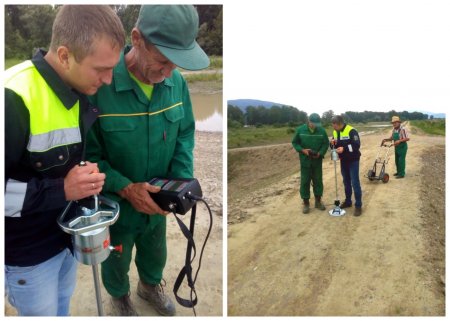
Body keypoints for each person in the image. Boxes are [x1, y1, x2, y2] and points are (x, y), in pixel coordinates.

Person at [85, 5, 210, 316]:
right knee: (115, 256)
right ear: (136, 38)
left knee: (156, 252)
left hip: (158, 205)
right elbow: (88, 157)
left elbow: (184, 135)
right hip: (116, 207)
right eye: (162, 61)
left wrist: (180, 184)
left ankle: (149, 286)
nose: (168, 72)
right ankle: (120, 296)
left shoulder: (176, 83)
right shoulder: (99, 86)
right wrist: (126, 189)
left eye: (176, 64)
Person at [4, 5, 125, 316]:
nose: (109, 80)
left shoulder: (77, 88)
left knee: (62, 310)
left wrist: (82, 177)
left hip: (67, 239)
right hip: (28, 254)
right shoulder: (12, 98)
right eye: (101, 69)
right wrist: (64, 190)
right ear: (64, 55)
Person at [292, 113, 330, 214]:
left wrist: (320, 153)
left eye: (317, 124)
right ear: (309, 121)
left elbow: (326, 143)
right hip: (305, 161)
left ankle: (318, 201)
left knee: (318, 180)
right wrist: (302, 150)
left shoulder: (322, 131)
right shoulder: (300, 130)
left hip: (317, 161)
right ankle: (306, 203)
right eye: (314, 124)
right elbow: (295, 142)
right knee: (305, 181)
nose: (316, 126)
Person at [330, 115, 363, 216]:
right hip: (343, 160)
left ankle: (358, 205)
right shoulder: (335, 132)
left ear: (340, 123)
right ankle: (348, 201)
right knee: (346, 181)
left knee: (355, 182)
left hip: (353, 160)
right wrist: (332, 144)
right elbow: (334, 145)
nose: (333, 128)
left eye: (334, 125)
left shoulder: (351, 130)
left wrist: (344, 149)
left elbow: (356, 145)